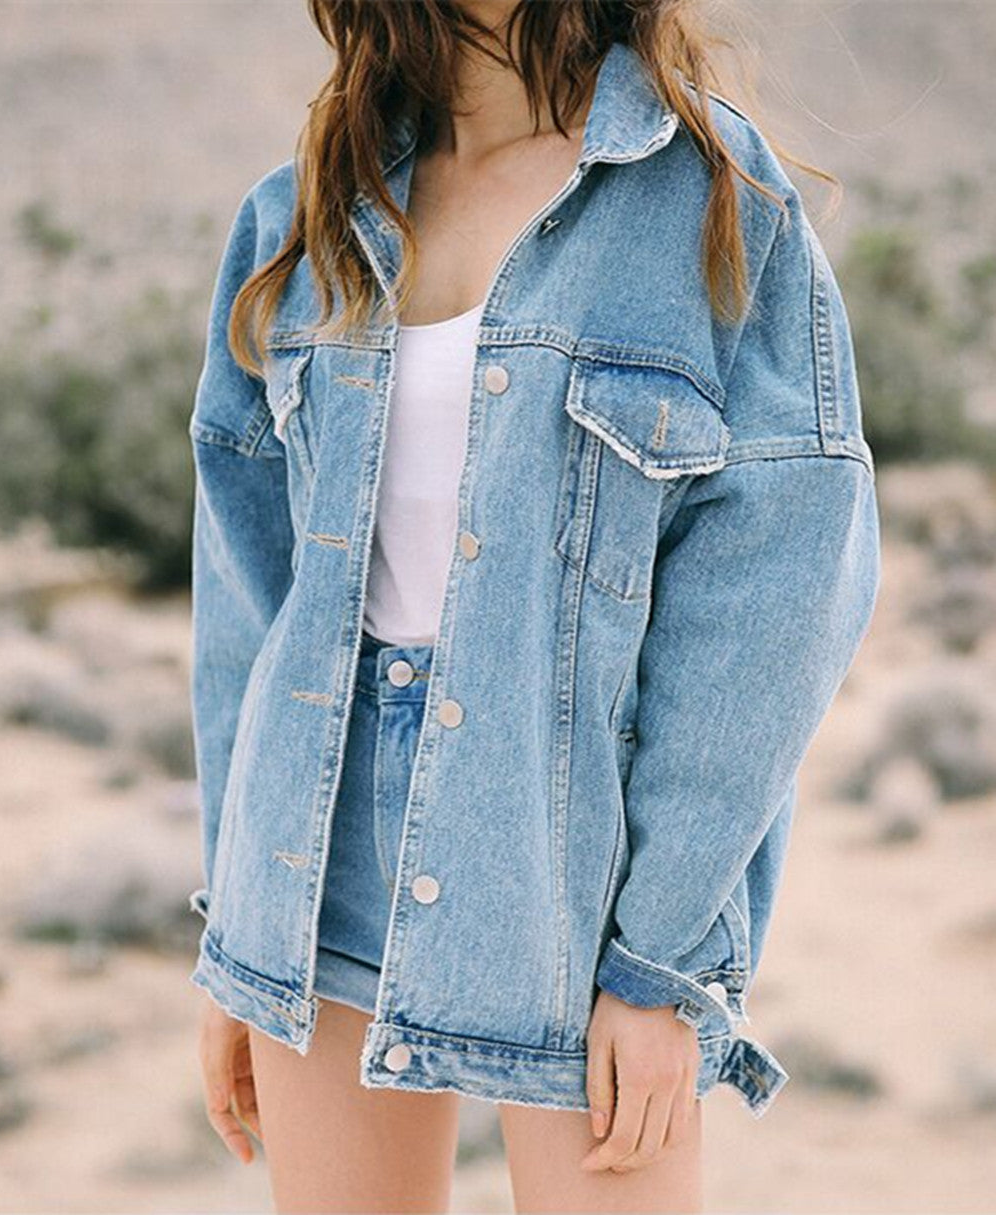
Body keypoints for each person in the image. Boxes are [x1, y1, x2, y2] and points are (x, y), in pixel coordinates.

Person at [185, 1, 881, 1210]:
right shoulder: (298, 214)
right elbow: (250, 599)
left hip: (574, 858)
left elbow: (777, 600)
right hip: (314, 844)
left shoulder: (708, 201)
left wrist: (660, 967)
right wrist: (238, 941)